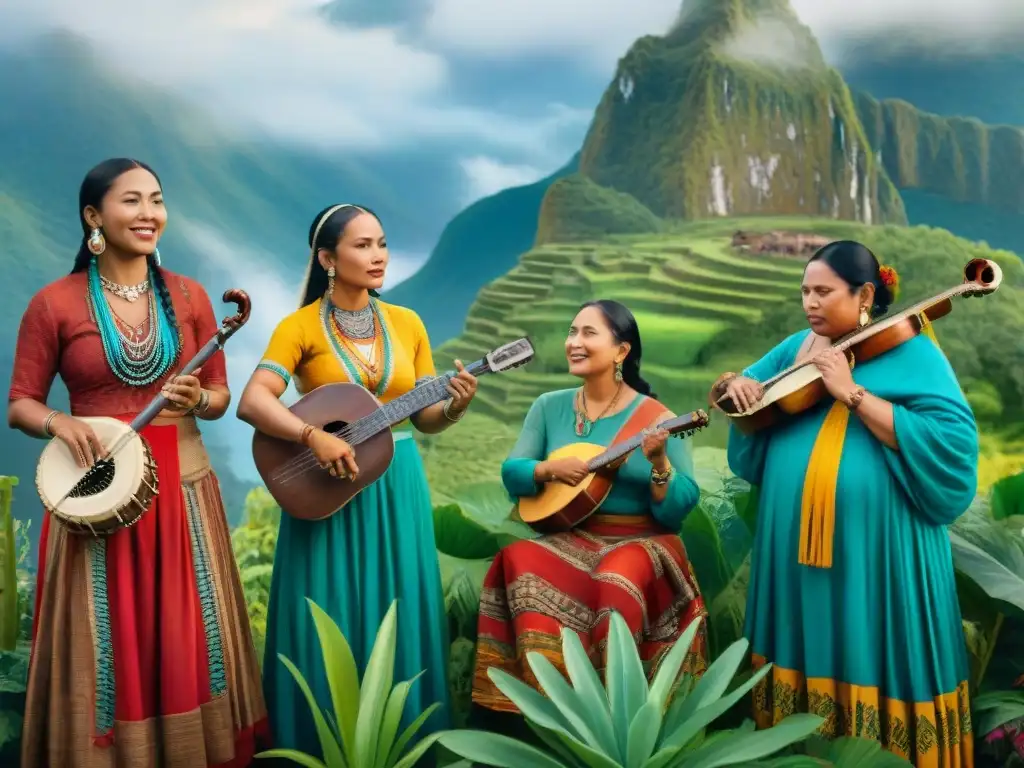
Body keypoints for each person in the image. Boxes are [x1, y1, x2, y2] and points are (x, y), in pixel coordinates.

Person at [8, 158, 268, 767]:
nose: (149, 213)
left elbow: (220, 398)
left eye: (156, 199)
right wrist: (60, 421)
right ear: (93, 217)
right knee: (107, 644)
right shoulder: (54, 303)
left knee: (183, 638)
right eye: (131, 201)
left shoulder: (190, 296)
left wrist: (197, 397)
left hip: (182, 495)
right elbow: (20, 403)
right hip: (95, 494)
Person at [711, 240, 977, 767]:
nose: (810, 302)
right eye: (805, 290)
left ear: (865, 295)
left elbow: (952, 443)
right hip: (794, 550)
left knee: (875, 644)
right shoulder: (797, 347)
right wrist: (734, 385)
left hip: (880, 551)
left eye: (824, 291)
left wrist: (851, 392)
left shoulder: (913, 350)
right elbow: (742, 386)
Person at [236, 203, 476, 753]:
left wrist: (456, 406)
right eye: (362, 245)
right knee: (330, 607)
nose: (378, 256)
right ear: (327, 258)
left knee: (402, 606)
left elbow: (424, 419)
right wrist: (311, 436)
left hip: (398, 484)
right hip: (327, 486)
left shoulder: (407, 324)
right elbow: (253, 401)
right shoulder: (298, 328)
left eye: (382, 244)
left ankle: (407, 748)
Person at [471, 299, 708, 718]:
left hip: (641, 539)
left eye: (588, 333)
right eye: (571, 332)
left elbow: (677, 510)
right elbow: (513, 473)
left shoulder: (658, 418)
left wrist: (659, 463)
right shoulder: (548, 406)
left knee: (617, 574)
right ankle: (541, 708)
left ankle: (619, 712)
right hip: (571, 532)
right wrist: (548, 469)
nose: (574, 342)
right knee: (519, 557)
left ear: (622, 351)